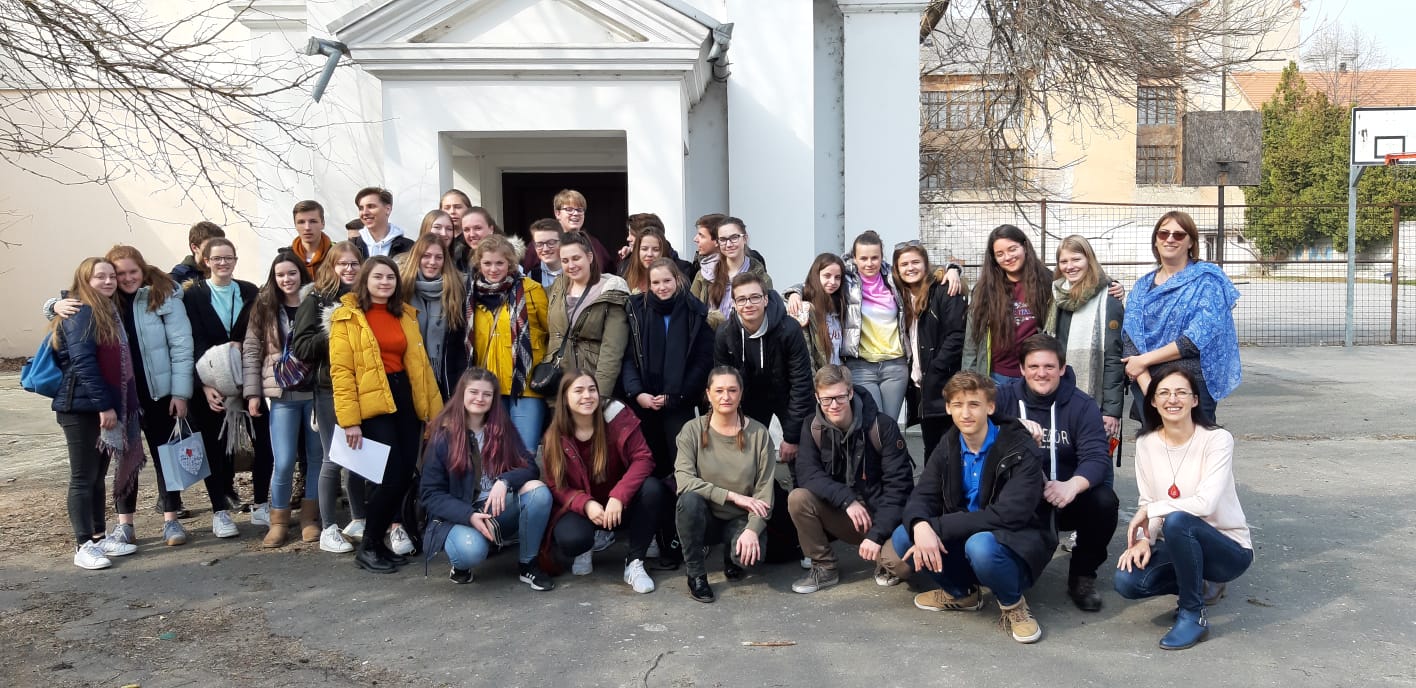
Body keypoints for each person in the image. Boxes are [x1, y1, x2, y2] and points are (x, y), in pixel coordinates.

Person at [879, 372, 1055, 645]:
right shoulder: (949, 443)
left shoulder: (1019, 447)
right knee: (906, 535)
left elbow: (1009, 515)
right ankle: (962, 594)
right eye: (958, 405)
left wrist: (935, 527)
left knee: (980, 546)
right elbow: (921, 495)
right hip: (967, 534)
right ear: (948, 408)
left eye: (974, 404)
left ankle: (1014, 605)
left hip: (1015, 543)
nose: (965, 413)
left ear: (990, 407)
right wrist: (920, 525)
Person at [49, 246, 197, 541]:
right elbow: (75, 304)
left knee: (165, 456)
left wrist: (180, 393)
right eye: (120, 274)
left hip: (159, 392)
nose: (126, 278)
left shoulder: (162, 295)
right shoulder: (104, 300)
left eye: (133, 272)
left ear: (143, 270)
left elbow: (182, 347)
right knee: (123, 458)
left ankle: (171, 519)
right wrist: (54, 304)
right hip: (122, 396)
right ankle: (125, 524)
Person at [1114, 364, 1253, 650]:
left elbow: (1205, 503)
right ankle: (1197, 582)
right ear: (1153, 401)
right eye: (1164, 393)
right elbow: (1148, 501)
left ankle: (1193, 614)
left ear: (1195, 400)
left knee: (1178, 520)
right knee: (1127, 580)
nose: (1172, 399)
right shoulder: (1146, 443)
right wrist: (1144, 540)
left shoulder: (1217, 440)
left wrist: (1152, 511)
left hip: (1227, 549)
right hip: (1180, 544)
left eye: (1181, 392)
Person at [328, 256, 444, 573]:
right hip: (373, 403)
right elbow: (341, 372)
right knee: (389, 477)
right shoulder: (347, 318)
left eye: (390, 277)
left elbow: (421, 367)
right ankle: (368, 545)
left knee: (404, 474)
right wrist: (350, 421)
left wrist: (433, 412)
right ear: (365, 280)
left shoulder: (404, 314)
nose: (384, 282)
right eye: (378, 277)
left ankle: (378, 545)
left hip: (405, 397)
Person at [994, 334, 1119, 612]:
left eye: (1049, 366)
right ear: (1022, 368)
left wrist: (1071, 485)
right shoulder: (1002, 398)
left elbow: (1097, 457)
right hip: (1018, 497)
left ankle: (1083, 575)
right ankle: (1002, 564)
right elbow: (973, 426)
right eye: (1034, 366)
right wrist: (1010, 426)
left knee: (1104, 501)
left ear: (1062, 368)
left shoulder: (1082, 404)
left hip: (1064, 495)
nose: (1041, 373)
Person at [420, 369, 555, 590]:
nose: (480, 399)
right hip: (459, 516)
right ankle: (461, 566)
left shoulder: (502, 428)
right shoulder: (443, 434)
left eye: (487, 394)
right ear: (462, 394)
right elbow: (430, 494)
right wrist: (468, 515)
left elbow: (530, 467)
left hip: (495, 508)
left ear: (494, 398)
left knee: (538, 492)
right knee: (470, 550)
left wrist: (504, 481)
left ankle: (528, 564)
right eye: (473, 392)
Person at [620, 257, 714, 568]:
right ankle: (653, 535)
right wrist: (638, 393)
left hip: (679, 405)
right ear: (647, 284)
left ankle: (681, 539)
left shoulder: (695, 311)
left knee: (681, 473)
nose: (661, 287)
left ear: (678, 280)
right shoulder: (635, 310)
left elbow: (703, 360)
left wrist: (678, 395)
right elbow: (627, 358)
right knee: (650, 472)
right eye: (655, 282)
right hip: (645, 404)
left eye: (667, 281)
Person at [788, 365, 914, 593]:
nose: (833, 405)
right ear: (817, 398)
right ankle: (824, 567)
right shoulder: (812, 426)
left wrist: (876, 535)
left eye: (839, 397)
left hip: (882, 515)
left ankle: (883, 559)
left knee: (902, 566)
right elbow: (807, 473)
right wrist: (847, 500)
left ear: (851, 392)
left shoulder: (882, 426)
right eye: (826, 399)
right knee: (798, 498)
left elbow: (900, 489)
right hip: (845, 512)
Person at [51, 257, 141, 569]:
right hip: (81, 407)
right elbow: (83, 362)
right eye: (99, 277)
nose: (108, 281)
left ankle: (98, 537)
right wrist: (104, 405)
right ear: (85, 281)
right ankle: (83, 545)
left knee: (97, 476)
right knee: (82, 477)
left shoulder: (107, 310)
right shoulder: (81, 311)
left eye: (111, 276)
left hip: (101, 405)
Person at [540, 371, 665, 593]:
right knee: (572, 540)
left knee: (652, 489)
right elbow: (556, 485)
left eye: (592, 389)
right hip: (585, 509)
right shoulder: (555, 435)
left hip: (620, 505)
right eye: (578, 391)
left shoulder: (616, 415)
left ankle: (635, 563)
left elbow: (643, 458)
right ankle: (588, 544)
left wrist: (619, 496)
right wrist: (586, 504)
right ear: (565, 398)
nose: (587, 396)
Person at [184, 237, 274, 539]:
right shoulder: (193, 296)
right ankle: (219, 511)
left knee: (264, 442)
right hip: (210, 384)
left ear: (235, 260)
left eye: (229, 258)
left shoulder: (249, 291)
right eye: (217, 258)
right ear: (206, 261)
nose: (223, 263)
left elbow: (260, 333)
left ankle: (261, 503)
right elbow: (191, 342)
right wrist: (203, 385)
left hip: (247, 380)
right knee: (215, 448)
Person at [1122, 211, 1241, 428]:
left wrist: (1144, 361)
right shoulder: (1142, 287)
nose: (1170, 239)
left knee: (1194, 448)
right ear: (1155, 241)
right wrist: (1151, 392)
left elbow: (1195, 340)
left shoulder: (1207, 281)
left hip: (1191, 386)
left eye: (1178, 235)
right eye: (1163, 233)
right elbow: (1131, 338)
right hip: (1147, 384)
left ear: (1191, 242)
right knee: (1153, 448)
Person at [674, 367, 777, 603]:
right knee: (688, 501)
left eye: (732, 390)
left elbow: (764, 492)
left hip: (740, 518)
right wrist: (733, 495)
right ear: (708, 394)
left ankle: (732, 557)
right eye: (719, 390)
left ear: (741, 393)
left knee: (750, 559)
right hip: (705, 516)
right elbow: (684, 481)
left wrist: (752, 530)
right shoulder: (692, 430)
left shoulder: (759, 433)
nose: (726, 397)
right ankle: (696, 574)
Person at [241, 250, 319, 548]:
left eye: (292, 273)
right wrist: (252, 394)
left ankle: (310, 518)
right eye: (281, 275)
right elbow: (251, 350)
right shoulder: (265, 306)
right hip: (282, 395)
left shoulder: (317, 302)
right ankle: (279, 521)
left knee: (316, 458)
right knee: (284, 460)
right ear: (274, 278)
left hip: (315, 393)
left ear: (302, 274)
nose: (287, 279)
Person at [290, 241, 365, 554]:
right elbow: (301, 347)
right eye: (342, 264)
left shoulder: (366, 297)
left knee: (359, 456)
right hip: (328, 388)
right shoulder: (316, 299)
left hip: (362, 387)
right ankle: (329, 528)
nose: (349, 269)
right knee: (333, 458)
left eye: (354, 263)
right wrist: (336, 331)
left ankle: (358, 519)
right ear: (331, 267)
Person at [713, 273, 813, 464]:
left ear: (766, 299)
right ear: (733, 304)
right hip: (750, 399)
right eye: (741, 299)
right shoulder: (725, 334)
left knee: (801, 458)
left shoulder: (789, 329)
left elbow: (801, 383)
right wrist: (733, 424)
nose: (748, 304)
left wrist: (792, 438)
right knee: (746, 460)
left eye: (755, 297)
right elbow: (723, 385)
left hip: (787, 395)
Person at [464, 234, 549, 452]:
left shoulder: (531, 290)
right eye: (487, 263)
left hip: (525, 384)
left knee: (525, 451)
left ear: (510, 263)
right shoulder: (471, 295)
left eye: (499, 263)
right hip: (489, 386)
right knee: (494, 452)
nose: (493, 269)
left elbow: (551, 331)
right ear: (479, 263)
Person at [1044, 235, 1125, 437]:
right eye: (1064, 261)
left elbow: (1113, 357)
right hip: (1057, 395)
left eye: (1076, 259)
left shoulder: (1109, 296)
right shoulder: (1056, 295)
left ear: (1089, 259)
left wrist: (1111, 411)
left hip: (1093, 401)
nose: (1070, 266)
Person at [893, 241, 967, 462]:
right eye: (904, 264)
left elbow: (957, 335)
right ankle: (933, 484)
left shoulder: (944, 290)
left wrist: (936, 368)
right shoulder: (899, 296)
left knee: (951, 447)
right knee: (932, 447)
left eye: (915, 262)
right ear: (897, 269)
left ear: (926, 264)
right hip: (920, 387)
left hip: (943, 383)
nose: (910, 268)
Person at [962, 225, 1053, 387]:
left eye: (1012, 249)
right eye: (1000, 254)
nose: (1008, 257)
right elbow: (972, 343)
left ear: (1024, 247)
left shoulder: (1048, 283)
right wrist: (969, 381)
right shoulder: (984, 290)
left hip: (1035, 376)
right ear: (994, 258)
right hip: (994, 377)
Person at [544, 231, 630, 401]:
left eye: (576, 258)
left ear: (589, 257)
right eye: (565, 261)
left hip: (591, 385)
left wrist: (600, 395)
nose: (571, 265)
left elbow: (612, 350)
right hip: (560, 385)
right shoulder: (557, 288)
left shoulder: (611, 290)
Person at [399, 233, 468, 400]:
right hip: (409, 377)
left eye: (438, 257)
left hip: (446, 379)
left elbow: (460, 343)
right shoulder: (401, 289)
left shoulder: (457, 290)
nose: (432, 262)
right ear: (416, 257)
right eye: (426, 256)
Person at [691, 217, 771, 328]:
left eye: (734, 238)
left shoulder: (761, 277)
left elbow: (767, 316)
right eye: (723, 239)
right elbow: (691, 310)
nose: (728, 244)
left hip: (745, 336)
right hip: (709, 336)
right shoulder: (704, 274)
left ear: (745, 239)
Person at [794, 253, 847, 372]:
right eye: (827, 276)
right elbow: (805, 353)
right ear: (816, 276)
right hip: (820, 378)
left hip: (840, 376)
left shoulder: (841, 306)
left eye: (837, 277)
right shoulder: (805, 308)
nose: (832, 282)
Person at [549, 189, 615, 270]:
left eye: (579, 210)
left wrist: (626, 256)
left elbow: (611, 271)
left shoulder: (593, 243)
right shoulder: (545, 244)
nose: (576, 213)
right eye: (569, 209)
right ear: (557, 213)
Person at [622, 226, 691, 294]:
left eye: (656, 249)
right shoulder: (626, 274)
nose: (649, 254)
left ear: (663, 251)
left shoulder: (677, 281)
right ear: (637, 251)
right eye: (644, 249)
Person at [350, 187, 413, 259]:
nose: (365, 212)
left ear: (388, 209)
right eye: (361, 208)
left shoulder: (409, 248)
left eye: (371, 206)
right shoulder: (352, 247)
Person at [289, 200, 332, 280]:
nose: (307, 227)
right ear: (295, 225)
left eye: (313, 221)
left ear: (323, 224)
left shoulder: (336, 254)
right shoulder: (288, 257)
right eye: (301, 222)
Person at [526, 218, 566, 292]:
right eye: (539, 244)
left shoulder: (574, 271)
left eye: (551, 242)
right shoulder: (532, 276)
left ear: (562, 243)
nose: (545, 249)